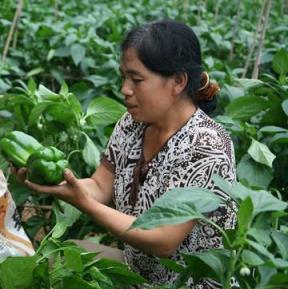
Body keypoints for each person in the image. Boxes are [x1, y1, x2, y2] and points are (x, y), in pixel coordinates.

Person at [15, 20, 236, 288]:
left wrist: (84, 203)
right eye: (124, 77)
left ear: (178, 81)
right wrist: (57, 184)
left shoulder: (206, 143)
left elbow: (164, 240)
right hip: (138, 274)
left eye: (137, 79)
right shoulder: (132, 124)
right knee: (61, 256)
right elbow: (99, 185)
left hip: (185, 284)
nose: (125, 90)